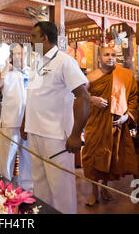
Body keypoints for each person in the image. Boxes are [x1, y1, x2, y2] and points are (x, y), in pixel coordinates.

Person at [21, 21, 90, 214]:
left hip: (56, 137)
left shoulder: (65, 61)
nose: (31, 40)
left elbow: (84, 96)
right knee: (40, 186)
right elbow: (32, 96)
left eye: (34, 36)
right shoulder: (36, 63)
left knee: (61, 189)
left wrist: (76, 134)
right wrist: (25, 122)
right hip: (34, 133)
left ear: (44, 37)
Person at [82, 46, 138, 206]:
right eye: (106, 54)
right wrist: (92, 98)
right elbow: (80, 97)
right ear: (99, 58)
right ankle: (94, 191)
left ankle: (104, 187)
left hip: (115, 126)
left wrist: (126, 117)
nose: (110, 57)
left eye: (113, 54)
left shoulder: (125, 75)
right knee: (91, 158)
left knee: (108, 160)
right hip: (95, 125)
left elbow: (134, 98)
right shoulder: (91, 77)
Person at [0, 43, 33, 191]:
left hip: (29, 123)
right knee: (6, 158)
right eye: (14, 54)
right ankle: (4, 188)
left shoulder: (32, 72)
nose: (18, 57)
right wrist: (5, 69)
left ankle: (27, 189)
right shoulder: (4, 71)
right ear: (10, 56)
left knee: (27, 159)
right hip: (10, 122)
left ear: (25, 55)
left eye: (20, 53)